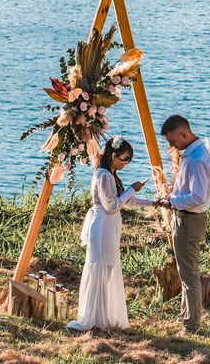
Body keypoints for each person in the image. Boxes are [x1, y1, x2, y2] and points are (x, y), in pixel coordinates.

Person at [67, 136, 159, 331]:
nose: (126, 164)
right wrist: (132, 189)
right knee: (100, 268)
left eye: (128, 161)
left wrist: (153, 203)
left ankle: (102, 316)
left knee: (107, 269)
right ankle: (93, 317)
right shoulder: (104, 175)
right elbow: (112, 205)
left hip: (109, 226)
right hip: (102, 226)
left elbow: (126, 201)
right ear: (113, 155)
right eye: (124, 159)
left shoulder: (111, 174)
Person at [159, 115, 210, 335]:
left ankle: (191, 326)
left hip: (189, 220)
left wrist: (172, 201)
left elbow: (198, 198)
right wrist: (173, 196)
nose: (172, 146)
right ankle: (186, 318)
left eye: (172, 141)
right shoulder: (191, 154)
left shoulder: (196, 159)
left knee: (189, 274)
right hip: (184, 218)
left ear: (184, 134)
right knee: (185, 273)